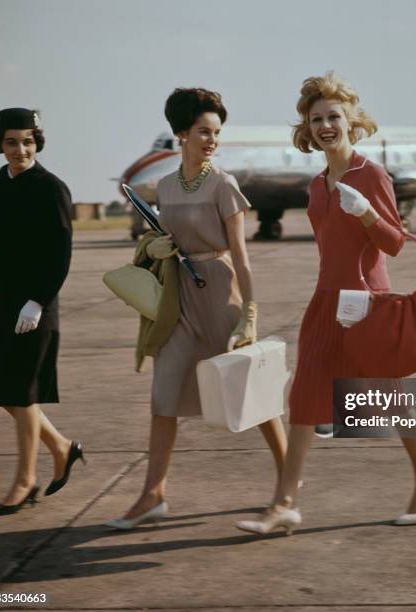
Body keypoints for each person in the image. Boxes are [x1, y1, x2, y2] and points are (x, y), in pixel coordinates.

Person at [236, 73, 416, 535]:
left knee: (391, 400)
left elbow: (394, 246)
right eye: (316, 119)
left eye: (334, 116)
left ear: (351, 122)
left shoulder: (371, 175)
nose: (326, 125)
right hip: (325, 303)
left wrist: (367, 212)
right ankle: (284, 504)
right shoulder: (316, 184)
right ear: (307, 129)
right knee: (306, 396)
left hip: (368, 303)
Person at [106, 88, 287, 529]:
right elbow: (161, 241)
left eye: (217, 132)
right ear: (182, 133)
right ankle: (153, 495)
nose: (211, 140)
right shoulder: (166, 186)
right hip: (180, 301)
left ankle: (288, 486)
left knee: (254, 398)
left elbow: (241, 257)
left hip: (222, 294)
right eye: (203, 131)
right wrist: (156, 242)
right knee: (163, 395)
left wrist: (249, 315)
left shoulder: (224, 184)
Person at [0, 108, 84, 516]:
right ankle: (61, 447)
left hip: (37, 303)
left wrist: (38, 300)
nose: (20, 149)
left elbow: (60, 253)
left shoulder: (51, 188)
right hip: (5, 300)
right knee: (7, 391)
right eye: (11, 141)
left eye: (27, 141)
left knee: (21, 392)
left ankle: (25, 480)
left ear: (37, 142)